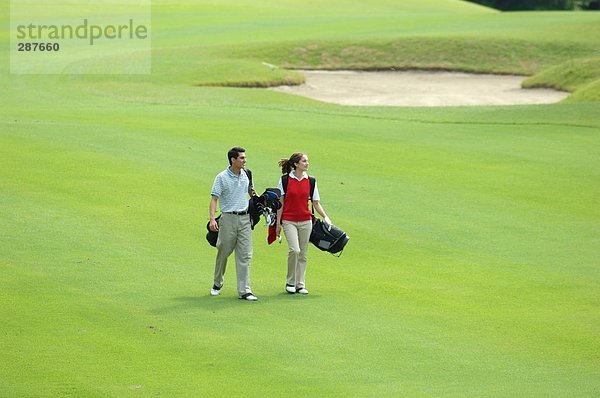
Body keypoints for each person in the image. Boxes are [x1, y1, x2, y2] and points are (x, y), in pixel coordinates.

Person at [275, 153, 331, 295]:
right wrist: (277, 223)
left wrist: (326, 216)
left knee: (303, 254)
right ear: (296, 164)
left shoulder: (311, 181)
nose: (307, 163)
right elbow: (279, 204)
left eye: (307, 161)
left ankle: (300, 284)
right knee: (295, 250)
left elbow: (315, 203)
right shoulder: (285, 180)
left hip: (306, 221)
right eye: (304, 161)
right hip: (289, 220)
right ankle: (290, 282)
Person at [209, 147, 258, 301]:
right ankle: (217, 283)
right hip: (228, 218)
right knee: (223, 252)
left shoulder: (247, 174)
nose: (245, 160)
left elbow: (251, 191)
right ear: (233, 160)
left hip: (245, 219)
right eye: (242, 158)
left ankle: (245, 291)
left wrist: (259, 199)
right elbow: (214, 198)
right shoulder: (221, 177)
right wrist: (212, 219)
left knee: (245, 255)